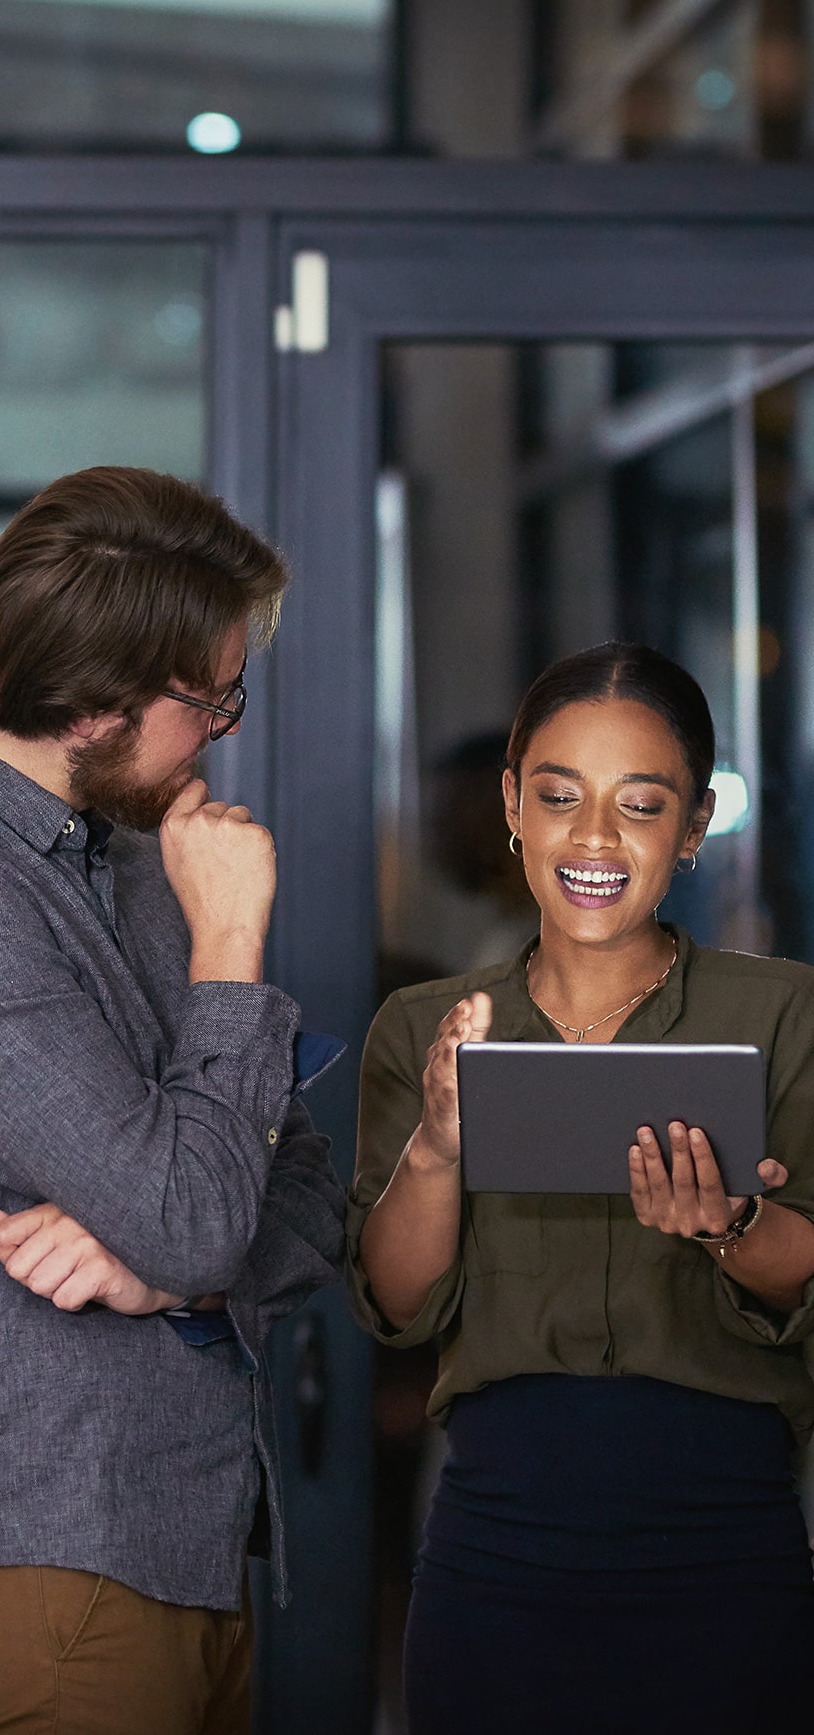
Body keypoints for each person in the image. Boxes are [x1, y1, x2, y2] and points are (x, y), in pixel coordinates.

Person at [0, 466, 345, 1735]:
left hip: (183, 1549)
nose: (223, 729)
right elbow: (194, 1205)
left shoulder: (123, 861)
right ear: (102, 701)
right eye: (208, 696)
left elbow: (309, 1189)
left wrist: (176, 1274)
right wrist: (231, 946)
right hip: (45, 1561)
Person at [347, 641, 814, 1734]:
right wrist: (436, 1149)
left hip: (727, 1553)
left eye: (640, 806)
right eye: (559, 797)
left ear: (693, 828)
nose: (594, 838)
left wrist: (735, 1226)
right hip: (496, 1550)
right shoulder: (427, 1026)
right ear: (513, 805)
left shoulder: (785, 1016)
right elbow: (399, 1303)